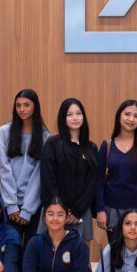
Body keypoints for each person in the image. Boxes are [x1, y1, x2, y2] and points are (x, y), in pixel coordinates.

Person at [40, 98, 100, 241]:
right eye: (70, 114)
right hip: (55, 212)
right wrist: (61, 211)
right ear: (63, 118)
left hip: (81, 212)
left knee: (79, 255)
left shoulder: (91, 148)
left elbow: (92, 183)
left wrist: (77, 211)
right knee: (53, 257)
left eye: (78, 113)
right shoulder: (53, 144)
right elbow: (48, 179)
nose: (75, 118)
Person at [96, 100, 137, 236]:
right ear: (119, 116)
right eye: (127, 114)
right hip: (112, 211)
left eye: (136, 116)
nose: (131, 119)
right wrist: (100, 209)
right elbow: (98, 181)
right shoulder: (106, 146)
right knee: (115, 254)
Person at [0, 89, 50, 246]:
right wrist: (11, 205)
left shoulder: (45, 137)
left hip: (33, 206)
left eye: (26, 105)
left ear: (35, 107)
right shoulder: (4, 131)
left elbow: (39, 176)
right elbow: (4, 169)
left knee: (31, 250)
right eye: (18, 105)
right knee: (11, 250)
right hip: (10, 205)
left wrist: (27, 209)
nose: (22, 109)